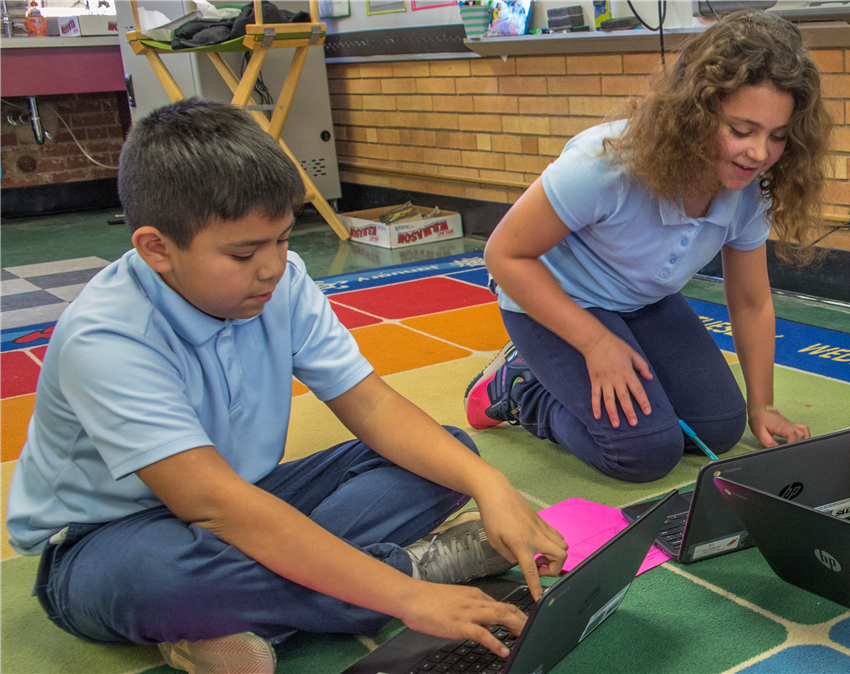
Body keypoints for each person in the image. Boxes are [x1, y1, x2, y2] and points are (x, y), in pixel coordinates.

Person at [5, 98, 570, 674]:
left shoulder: (283, 283)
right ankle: (408, 567)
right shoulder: (106, 337)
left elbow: (371, 404)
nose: (273, 266)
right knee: (158, 582)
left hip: (251, 496)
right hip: (110, 541)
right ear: (157, 249)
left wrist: (489, 484)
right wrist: (408, 596)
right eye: (244, 252)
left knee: (447, 453)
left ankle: (234, 614)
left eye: (281, 239)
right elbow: (212, 504)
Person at [467, 9, 828, 483]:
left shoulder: (749, 186)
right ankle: (521, 390)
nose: (759, 153)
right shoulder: (606, 165)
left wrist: (762, 405)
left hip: (640, 303)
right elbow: (504, 255)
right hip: (549, 297)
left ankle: (581, 368)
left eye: (777, 136)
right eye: (741, 131)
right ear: (695, 112)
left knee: (719, 427)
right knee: (644, 453)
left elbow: (751, 300)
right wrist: (596, 343)